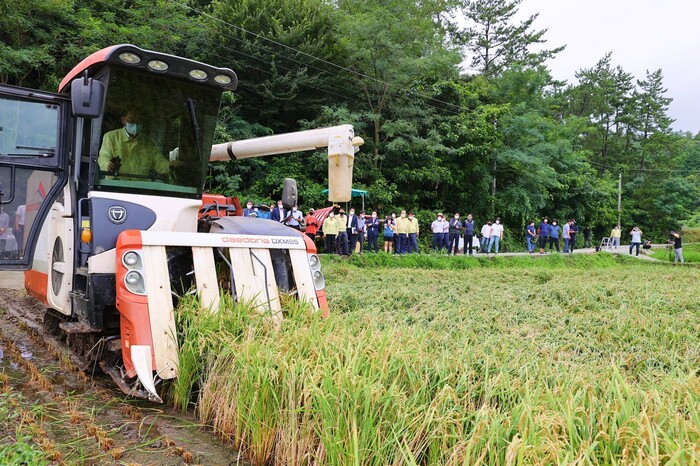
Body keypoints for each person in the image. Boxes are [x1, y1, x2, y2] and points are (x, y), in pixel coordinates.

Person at [98, 109, 170, 179]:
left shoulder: (148, 142)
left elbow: (159, 160)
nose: (135, 124)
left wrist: (169, 166)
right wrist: (107, 165)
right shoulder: (111, 137)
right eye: (132, 120)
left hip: (140, 187)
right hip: (116, 186)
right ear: (123, 120)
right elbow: (103, 156)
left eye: (139, 121)